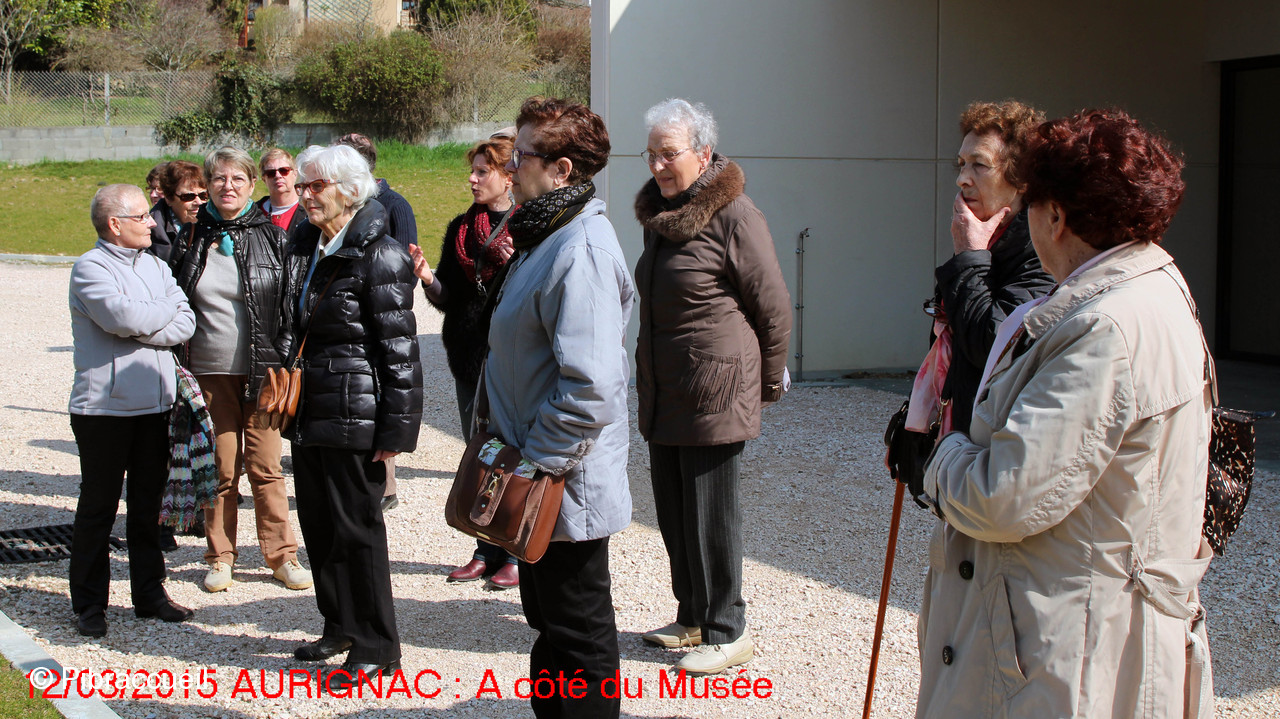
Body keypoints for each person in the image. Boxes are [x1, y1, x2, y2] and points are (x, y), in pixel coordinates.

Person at [916, 109, 1214, 718]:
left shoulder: (1104, 327)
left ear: (1054, 216)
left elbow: (1002, 494)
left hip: (1067, 649)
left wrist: (940, 455)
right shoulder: (1154, 287)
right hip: (1090, 620)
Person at [484, 97, 632, 718]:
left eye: (521, 156)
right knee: (550, 625)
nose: (510, 167)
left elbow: (591, 386)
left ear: (562, 170)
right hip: (540, 472)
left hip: (562, 479)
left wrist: (536, 467)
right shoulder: (546, 235)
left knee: (578, 634)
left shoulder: (581, 250)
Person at [633, 98, 792, 675]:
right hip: (666, 386)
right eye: (651, 154)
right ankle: (694, 615)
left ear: (703, 154)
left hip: (715, 387)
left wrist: (766, 383)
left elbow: (773, 307)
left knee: (712, 514)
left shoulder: (736, 215)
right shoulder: (662, 216)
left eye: (669, 154)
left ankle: (728, 629)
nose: (657, 165)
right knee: (675, 509)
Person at [281, 144, 422, 683]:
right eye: (302, 185)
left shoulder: (380, 254)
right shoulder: (308, 245)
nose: (304, 195)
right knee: (319, 526)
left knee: (357, 531)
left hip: (355, 413)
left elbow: (400, 353)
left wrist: (396, 430)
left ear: (349, 190)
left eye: (315, 185)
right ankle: (338, 625)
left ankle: (377, 646)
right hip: (311, 408)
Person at [168, 146, 312, 595]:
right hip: (208, 373)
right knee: (222, 469)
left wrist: (282, 359)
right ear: (207, 185)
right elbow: (174, 300)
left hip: (263, 373)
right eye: (218, 179)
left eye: (236, 179)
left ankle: (282, 556)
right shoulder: (191, 237)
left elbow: (290, 307)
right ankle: (219, 557)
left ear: (252, 184)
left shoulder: (274, 236)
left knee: (266, 467)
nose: (227, 187)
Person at [68, 183, 197, 638]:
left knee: (147, 508)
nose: (151, 223)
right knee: (98, 508)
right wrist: (154, 316)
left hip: (155, 407)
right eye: (141, 216)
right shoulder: (89, 268)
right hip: (104, 411)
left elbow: (186, 320)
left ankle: (149, 594)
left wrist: (145, 321)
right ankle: (89, 604)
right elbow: (121, 318)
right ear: (114, 224)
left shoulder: (157, 266)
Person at [409, 132, 520, 590]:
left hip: (512, 361)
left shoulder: (529, 227)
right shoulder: (460, 229)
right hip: (467, 358)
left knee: (512, 456)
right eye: (472, 171)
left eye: (482, 172)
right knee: (478, 453)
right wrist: (428, 278)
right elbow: (448, 298)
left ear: (509, 177)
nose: (473, 179)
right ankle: (484, 548)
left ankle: (514, 550)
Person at [928, 101, 1054, 435]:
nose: (962, 179)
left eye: (979, 165)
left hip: (997, 443)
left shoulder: (1042, 251)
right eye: (961, 164)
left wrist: (970, 255)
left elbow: (991, 347)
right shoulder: (991, 238)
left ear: (1021, 178)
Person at [333, 132, 419, 512]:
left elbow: (404, 265)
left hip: (381, 313)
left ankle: (386, 486)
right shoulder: (333, 209)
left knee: (384, 395)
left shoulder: (394, 205)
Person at [149, 160, 206, 263]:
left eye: (203, 196)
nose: (198, 202)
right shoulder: (152, 231)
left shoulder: (216, 222)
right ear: (169, 199)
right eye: (188, 196)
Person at [256, 148, 309, 237]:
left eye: (284, 171)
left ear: (295, 174)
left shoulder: (309, 209)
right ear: (264, 179)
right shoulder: (254, 213)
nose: (278, 176)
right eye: (271, 173)